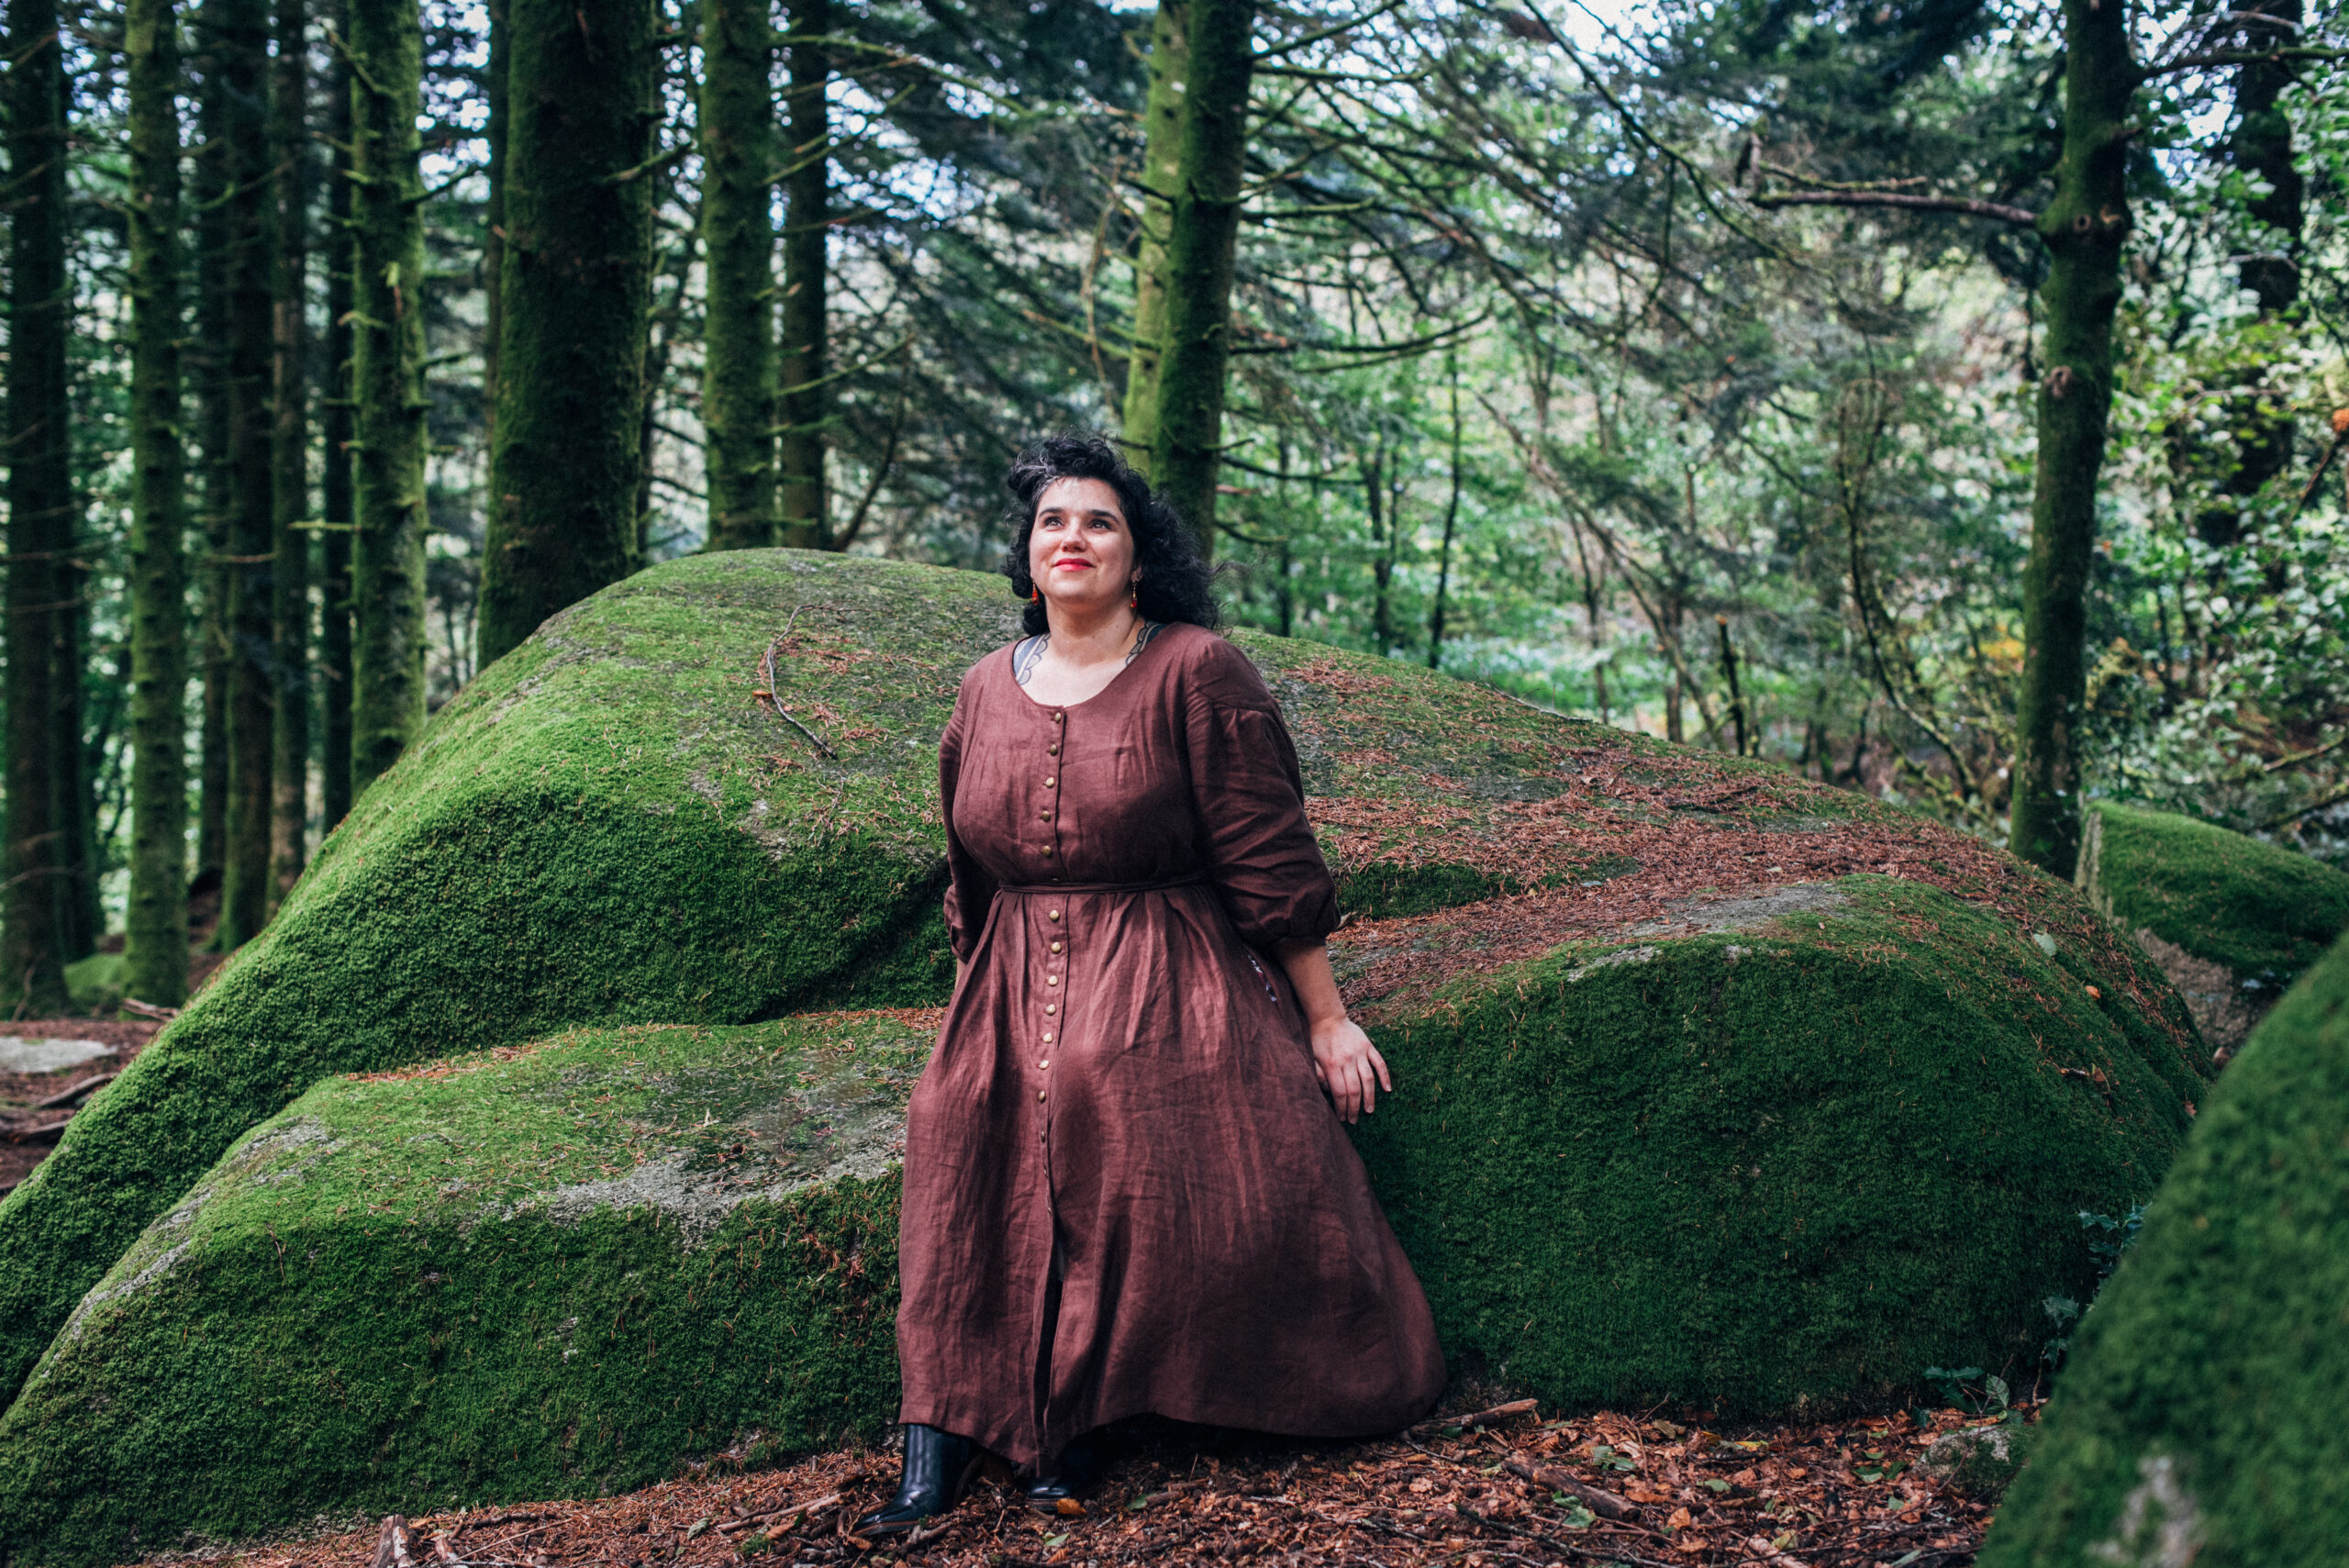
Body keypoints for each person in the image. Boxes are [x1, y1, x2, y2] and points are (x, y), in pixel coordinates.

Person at [855, 434, 1446, 1537]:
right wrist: (977, 1016)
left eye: (1100, 521)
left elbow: (1268, 854)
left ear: (1139, 555)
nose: (1072, 537)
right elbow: (967, 866)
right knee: (954, 1118)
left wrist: (1325, 1018)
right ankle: (938, 1431)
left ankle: (1085, 1414)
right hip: (1008, 973)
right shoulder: (983, 686)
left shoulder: (1197, 670)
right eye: (1053, 522)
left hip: (1161, 961)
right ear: (1028, 555)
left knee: (1103, 1087)